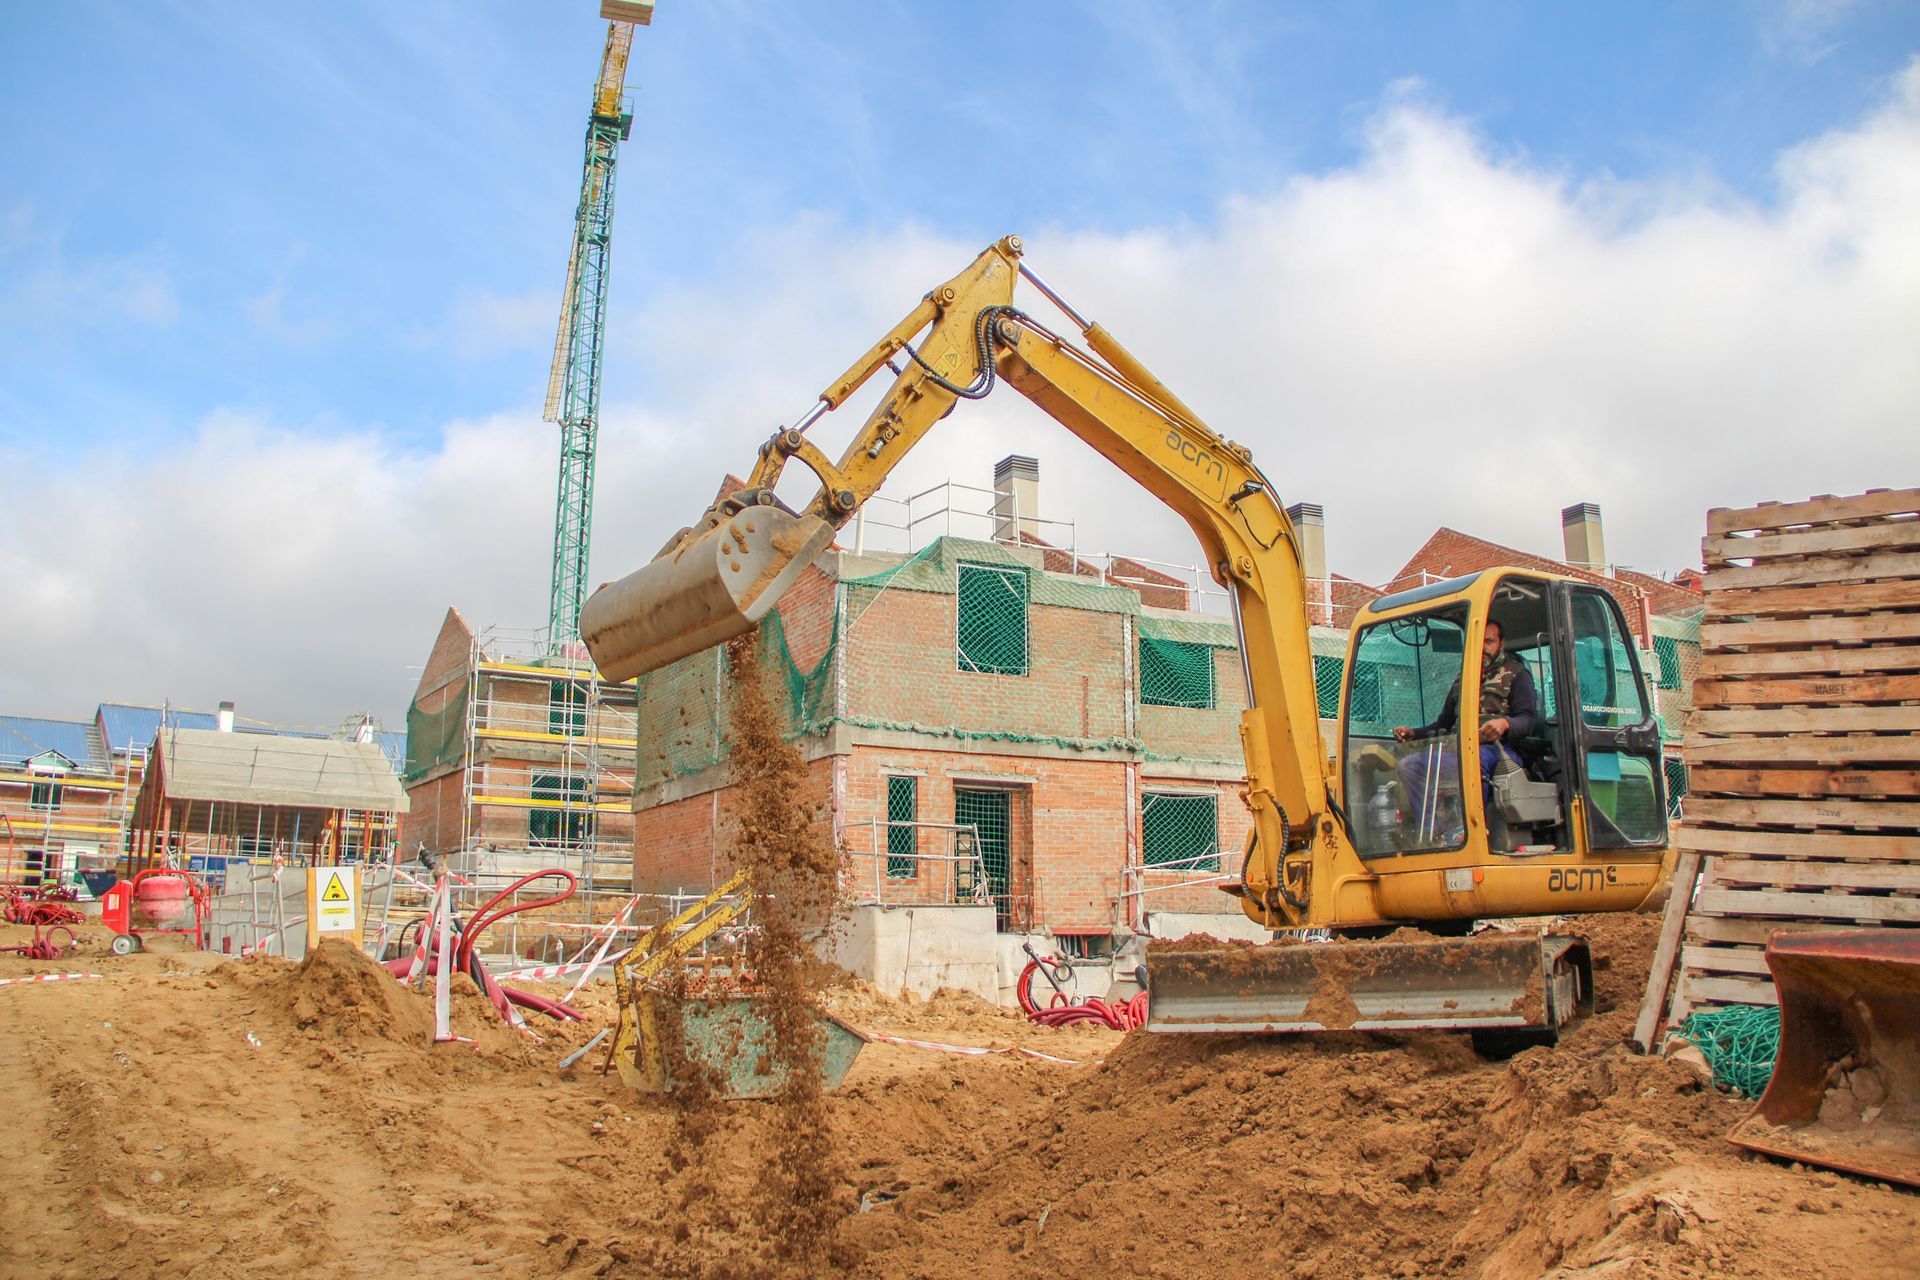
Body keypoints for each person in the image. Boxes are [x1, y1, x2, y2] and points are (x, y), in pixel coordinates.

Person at [1390, 619, 1538, 842]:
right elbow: (1443, 724)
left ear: (1501, 644)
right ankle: (1436, 832)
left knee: (1472, 760)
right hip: (1459, 750)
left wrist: (1505, 724)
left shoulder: (1516, 674)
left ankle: (1473, 832)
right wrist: (1414, 733)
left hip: (1497, 751)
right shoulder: (1463, 680)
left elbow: (1527, 720)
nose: (1483, 647)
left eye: (1489, 641)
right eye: (1479, 641)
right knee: (1409, 766)